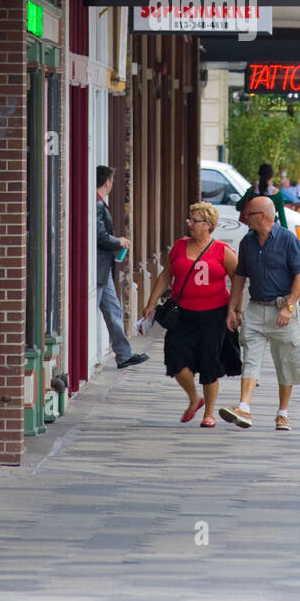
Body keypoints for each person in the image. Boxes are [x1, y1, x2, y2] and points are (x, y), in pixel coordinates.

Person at [141, 203, 240, 427]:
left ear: (208, 225)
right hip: (183, 313)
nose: (189, 224)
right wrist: (151, 303)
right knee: (175, 358)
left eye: (194, 221)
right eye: (190, 219)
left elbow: (238, 280)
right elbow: (166, 275)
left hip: (214, 314)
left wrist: (235, 310)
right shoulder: (180, 246)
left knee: (209, 361)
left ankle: (209, 414)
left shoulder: (222, 250)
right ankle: (194, 398)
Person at [219, 195, 300, 432]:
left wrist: (289, 307)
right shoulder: (247, 242)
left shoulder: (287, 239)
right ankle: (244, 407)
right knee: (250, 358)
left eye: (249, 214)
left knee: (286, 362)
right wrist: (233, 309)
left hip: (282, 309)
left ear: (265, 216)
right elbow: (240, 277)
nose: (245, 218)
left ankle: (283, 413)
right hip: (256, 309)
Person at [96, 165, 148, 369]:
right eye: (112, 181)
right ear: (107, 182)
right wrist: (119, 241)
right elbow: (100, 236)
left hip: (103, 270)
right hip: (97, 269)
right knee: (104, 310)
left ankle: (124, 354)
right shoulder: (97, 204)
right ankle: (124, 354)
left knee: (113, 310)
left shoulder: (99, 203)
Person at [236, 162, 288, 229]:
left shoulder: (252, 191)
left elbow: (238, 206)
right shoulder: (277, 195)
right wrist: (285, 232)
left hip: (254, 228)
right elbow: (282, 217)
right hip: (271, 229)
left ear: (259, 174)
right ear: (272, 176)